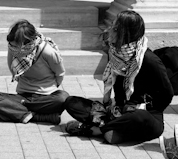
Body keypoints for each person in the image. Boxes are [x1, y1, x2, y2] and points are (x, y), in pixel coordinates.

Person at [66, 11, 172, 144]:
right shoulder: (115, 53)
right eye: (112, 26)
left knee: (137, 116)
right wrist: (118, 108)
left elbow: (167, 94)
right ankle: (111, 129)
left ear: (125, 34)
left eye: (115, 29)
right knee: (71, 102)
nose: (109, 30)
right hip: (117, 112)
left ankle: (97, 129)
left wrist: (143, 107)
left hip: (144, 117)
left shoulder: (149, 60)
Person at [0, 20, 68, 125]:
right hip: (23, 98)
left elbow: (60, 74)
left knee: (63, 98)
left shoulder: (47, 51)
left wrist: (46, 89)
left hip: (46, 97)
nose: (13, 49)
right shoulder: (12, 48)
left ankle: (16, 112)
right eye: (12, 46)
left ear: (26, 43)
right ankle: (39, 116)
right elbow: (13, 69)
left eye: (16, 46)